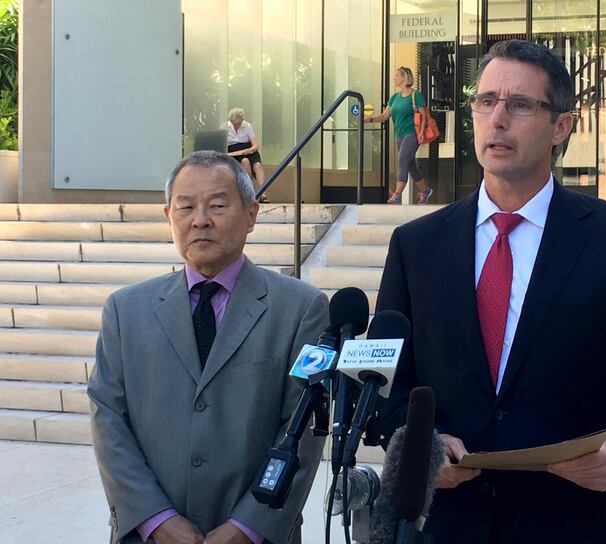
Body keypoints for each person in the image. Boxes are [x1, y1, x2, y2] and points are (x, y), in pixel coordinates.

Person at [376, 40, 606, 543]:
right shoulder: (416, 244)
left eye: (520, 104)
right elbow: (386, 386)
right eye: (486, 101)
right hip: (446, 525)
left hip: (571, 521)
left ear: (561, 126)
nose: (497, 118)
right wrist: (421, 450)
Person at [88, 151, 327, 544]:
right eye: (185, 207)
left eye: (217, 204)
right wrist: (156, 519)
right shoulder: (125, 311)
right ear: (169, 216)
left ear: (251, 214)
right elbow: (108, 420)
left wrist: (247, 527)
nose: (200, 219)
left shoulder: (300, 309)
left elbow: (301, 430)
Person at [365, 66, 434, 205]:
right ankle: (425, 190)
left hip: (412, 134)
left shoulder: (416, 95)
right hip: (399, 135)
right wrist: (369, 120)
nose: (394, 78)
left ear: (404, 77)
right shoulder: (394, 97)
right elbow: (385, 116)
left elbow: (423, 115)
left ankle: (396, 195)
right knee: (410, 164)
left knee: (402, 159)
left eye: (397, 75)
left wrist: (420, 132)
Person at [227, 107, 268, 201]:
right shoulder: (225, 127)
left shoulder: (247, 126)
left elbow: (255, 145)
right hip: (234, 151)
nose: (237, 125)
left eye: (239, 123)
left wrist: (248, 150)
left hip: (248, 149)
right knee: (245, 162)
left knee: (257, 165)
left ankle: (263, 194)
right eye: (235, 124)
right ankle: (250, 192)